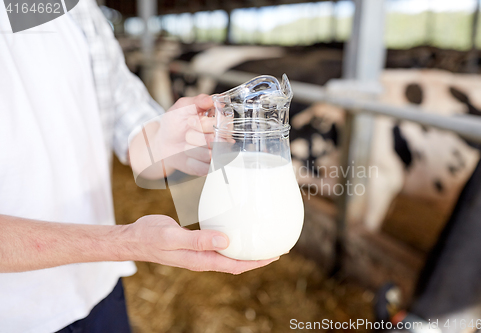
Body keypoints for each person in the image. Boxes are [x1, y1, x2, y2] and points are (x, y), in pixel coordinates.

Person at [0, 1, 277, 332]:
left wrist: (168, 141)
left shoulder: (75, 9)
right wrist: (124, 242)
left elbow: (126, 118)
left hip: (98, 284)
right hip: (14, 314)